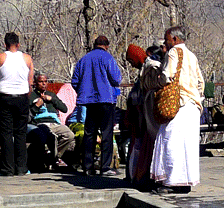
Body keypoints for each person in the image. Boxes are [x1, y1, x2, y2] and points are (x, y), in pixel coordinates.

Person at [151, 26, 204, 193]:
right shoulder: (192, 56)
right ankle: (185, 181)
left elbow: (168, 75)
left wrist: (158, 84)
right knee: (188, 145)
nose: (166, 43)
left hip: (179, 103)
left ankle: (171, 181)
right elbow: (201, 82)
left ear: (174, 39)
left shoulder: (173, 53)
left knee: (170, 141)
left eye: (167, 39)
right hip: (193, 105)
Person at [72, 35, 124, 177]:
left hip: (89, 102)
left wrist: (84, 91)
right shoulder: (108, 58)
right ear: (106, 46)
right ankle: (105, 167)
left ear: (94, 45)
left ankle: (88, 167)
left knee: (90, 134)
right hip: (106, 100)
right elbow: (116, 78)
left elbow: (75, 81)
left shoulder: (84, 59)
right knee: (107, 134)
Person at [0, 32, 34, 176]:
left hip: (4, 97)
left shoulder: (0, 57)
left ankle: (7, 169)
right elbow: (30, 82)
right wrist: (25, 95)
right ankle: (22, 168)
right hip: (22, 97)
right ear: (18, 44)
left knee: (6, 133)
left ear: (5, 44)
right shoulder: (27, 58)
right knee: (21, 132)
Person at [126, 44, 167, 188]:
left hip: (150, 108)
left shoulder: (151, 66)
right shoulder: (148, 66)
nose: (133, 65)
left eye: (132, 61)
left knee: (152, 141)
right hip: (145, 109)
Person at [27, 70, 75, 171]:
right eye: (40, 81)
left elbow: (64, 109)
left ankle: (52, 157)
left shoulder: (51, 95)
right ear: (35, 83)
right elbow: (27, 116)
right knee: (52, 137)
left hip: (55, 123)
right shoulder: (31, 96)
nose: (44, 84)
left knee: (69, 135)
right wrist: (36, 106)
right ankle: (54, 161)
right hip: (40, 124)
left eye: (45, 81)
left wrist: (52, 100)